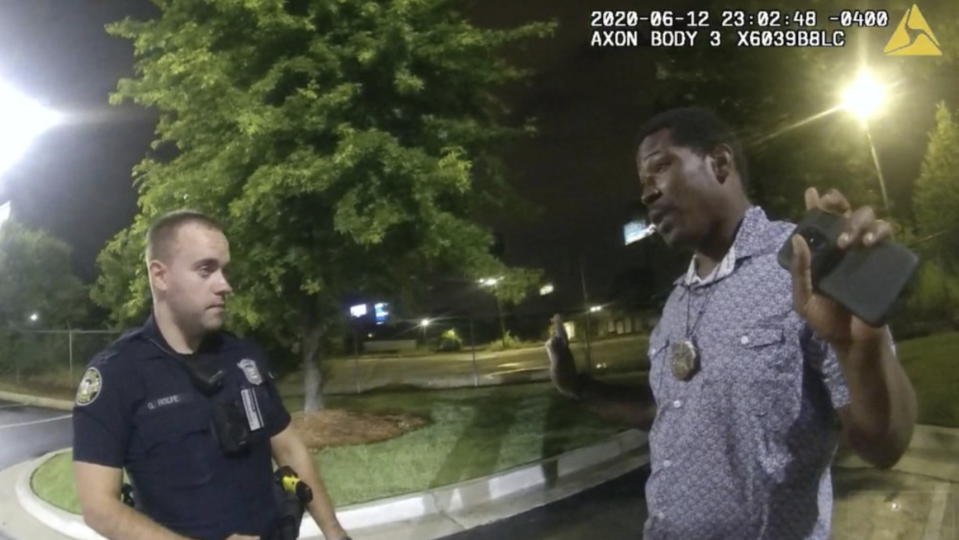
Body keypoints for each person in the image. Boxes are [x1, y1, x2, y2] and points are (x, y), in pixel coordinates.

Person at [546, 107, 918, 539]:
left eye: (660, 168)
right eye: (642, 182)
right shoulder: (675, 303)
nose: (647, 194)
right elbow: (667, 412)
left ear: (719, 163)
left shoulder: (805, 268)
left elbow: (884, 444)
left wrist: (861, 352)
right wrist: (577, 386)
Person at [72, 210, 352, 540]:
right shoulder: (116, 374)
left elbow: (288, 447)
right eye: (206, 269)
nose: (225, 285)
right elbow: (99, 508)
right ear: (160, 276)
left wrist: (334, 532)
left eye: (224, 270)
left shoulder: (243, 356)